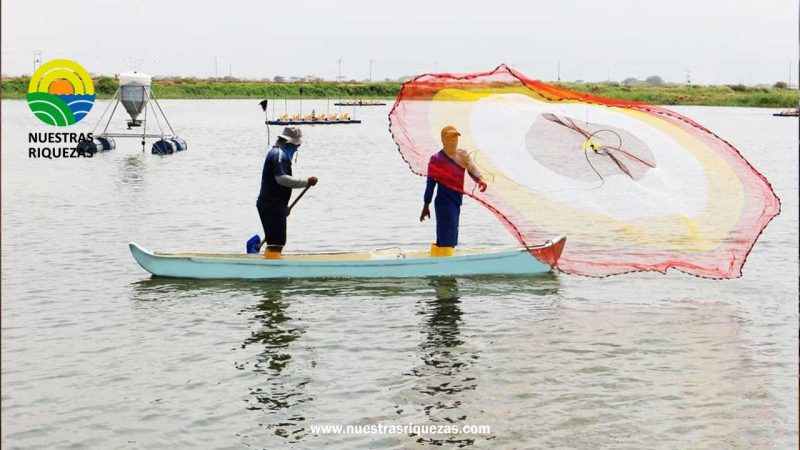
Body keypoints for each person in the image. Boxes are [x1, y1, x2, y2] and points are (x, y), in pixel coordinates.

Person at [419, 125, 488, 257]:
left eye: (455, 138)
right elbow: (430, 184)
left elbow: (472, 169)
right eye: (450, 138)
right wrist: (426, 204)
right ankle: (445, 262)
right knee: (448, 235)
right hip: (443, 203)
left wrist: (480, 180)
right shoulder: (437, 159)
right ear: (443, 140)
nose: (453, 141)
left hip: (456, 201)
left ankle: (439, 258)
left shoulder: (462, 155)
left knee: (447, 234)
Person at [257, 126, 318, 259]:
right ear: (289, 142)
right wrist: (306, 182)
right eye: (297, 145)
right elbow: (281, 179)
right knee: (276, 242)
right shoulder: (278, 155)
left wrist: (283, 206)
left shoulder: (281, 154)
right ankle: (271, 270)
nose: (298, 148)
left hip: (275, 204)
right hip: (270, 205)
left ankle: (271, 263)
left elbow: (278, 186)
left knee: (277, 241)